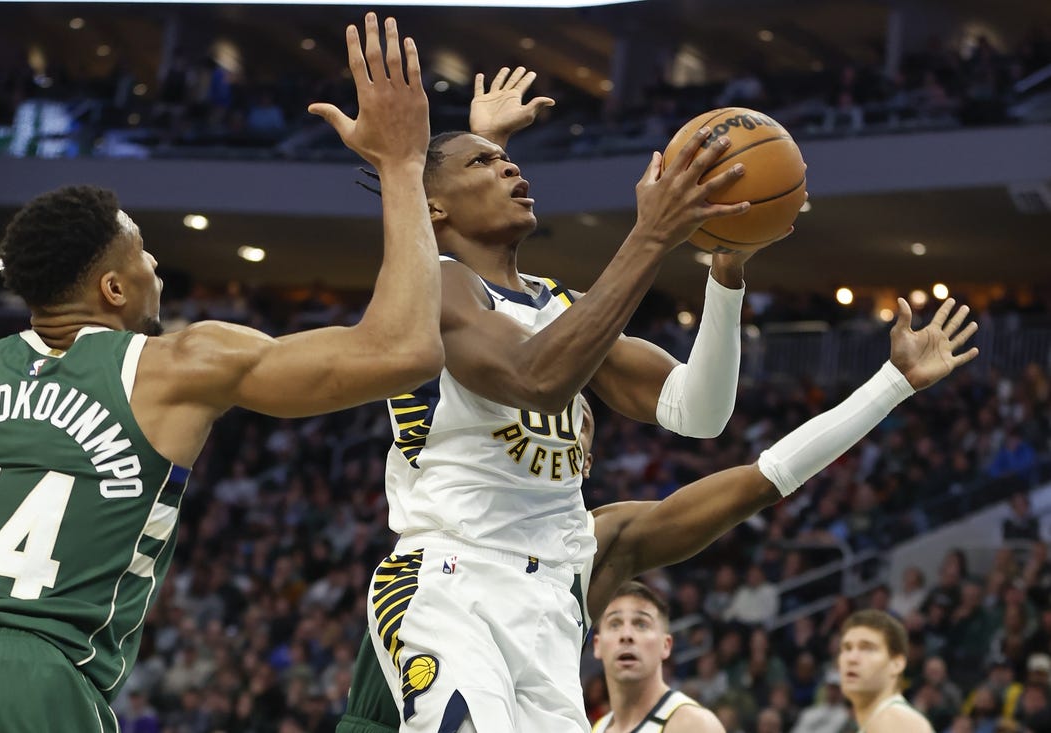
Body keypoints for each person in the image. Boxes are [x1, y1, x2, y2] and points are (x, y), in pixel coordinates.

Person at [0, 14, 442, 732]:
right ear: (113, 290)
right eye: (143, 251)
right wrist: (401, 164)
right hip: (41, 676)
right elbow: (402, 350)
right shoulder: (181, 360)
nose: (157, 266)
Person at [340, 294, 978, 732]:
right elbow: (471, 286)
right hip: (418, 633)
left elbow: (763, 479)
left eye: (574, 417)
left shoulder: (591, 545)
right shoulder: (461, 442)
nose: (553, 417)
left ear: (583, 457)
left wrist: (890, 384)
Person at [365, 64, 761, 733]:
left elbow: (699, 411)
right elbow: (534, 378)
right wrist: (651, 235)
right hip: (450, 577)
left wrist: (726, 280)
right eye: (487, 165)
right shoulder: (434, 285)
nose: (513, 171)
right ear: (433, 207)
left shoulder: (560, 307)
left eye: (509, 160)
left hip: (547, 597)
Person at [591, 581, 725, 732]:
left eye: (641, 624)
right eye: (614, 624)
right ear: (597, 645)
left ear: (666, 645)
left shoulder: (694, 725)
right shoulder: (596, 728)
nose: (626, 635)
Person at [839, 610, 935, 732]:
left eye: (867, 648)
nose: (851, 658)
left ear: (896, 664)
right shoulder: (877, 720)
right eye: (847, 648)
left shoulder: (899, 722)